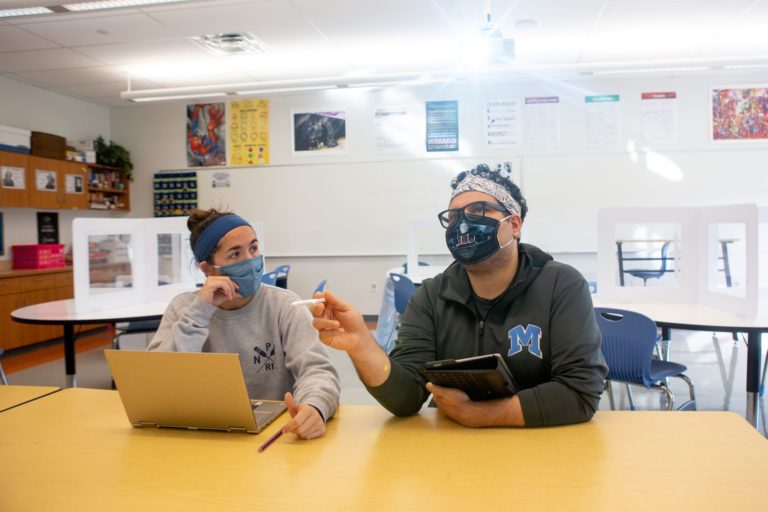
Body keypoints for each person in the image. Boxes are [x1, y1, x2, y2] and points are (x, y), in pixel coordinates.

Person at [312, 164, 607, 428]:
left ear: (514, 225)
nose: (463, 224)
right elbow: (408, 397)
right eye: (453, 217)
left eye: (479, 210)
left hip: (546, 453)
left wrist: (482, 415)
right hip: (452, 458)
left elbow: (579, 391)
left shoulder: (561, 285)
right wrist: (362, 345)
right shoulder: (431, 295)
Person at [148, 208, 340, 439]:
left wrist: (315, 406)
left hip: (274, 435)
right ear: (208, 269)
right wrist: (200, 312)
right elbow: (157, 381)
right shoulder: (182, 309)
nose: (250, 261)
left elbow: (317, 370)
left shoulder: (283, 305)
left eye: (253, 248)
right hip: (203, 434)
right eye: (235, 254)